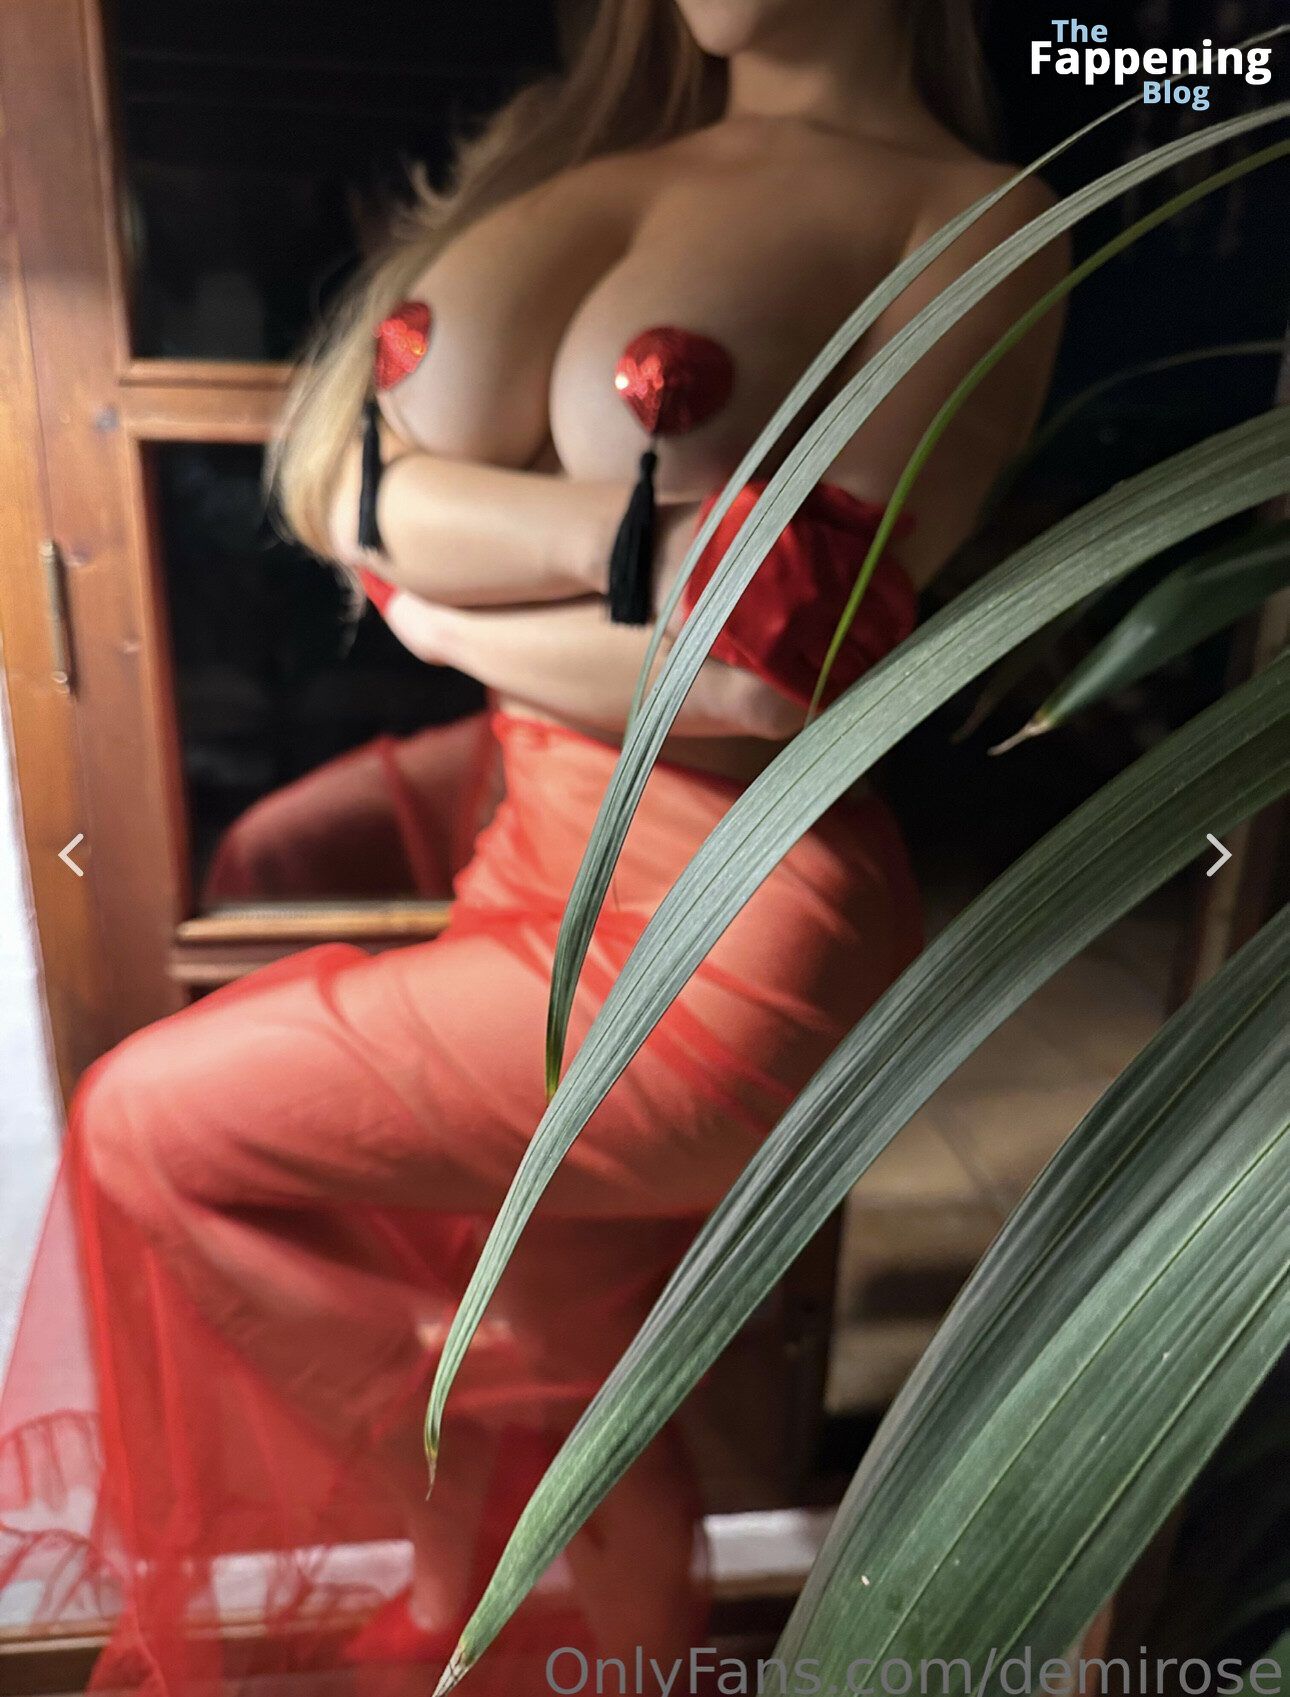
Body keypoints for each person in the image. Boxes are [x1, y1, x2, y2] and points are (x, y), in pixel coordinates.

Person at [0, 2, 1065, 1691]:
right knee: (569, 1353)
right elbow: (348, 486)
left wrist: (439, 612)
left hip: (723, 915)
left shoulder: (964, 216)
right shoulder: (575, 159)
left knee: (145, 1121)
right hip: (541, 833)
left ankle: (451, 1411)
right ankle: (510, 1599)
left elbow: (767, 676)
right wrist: (631, 545)